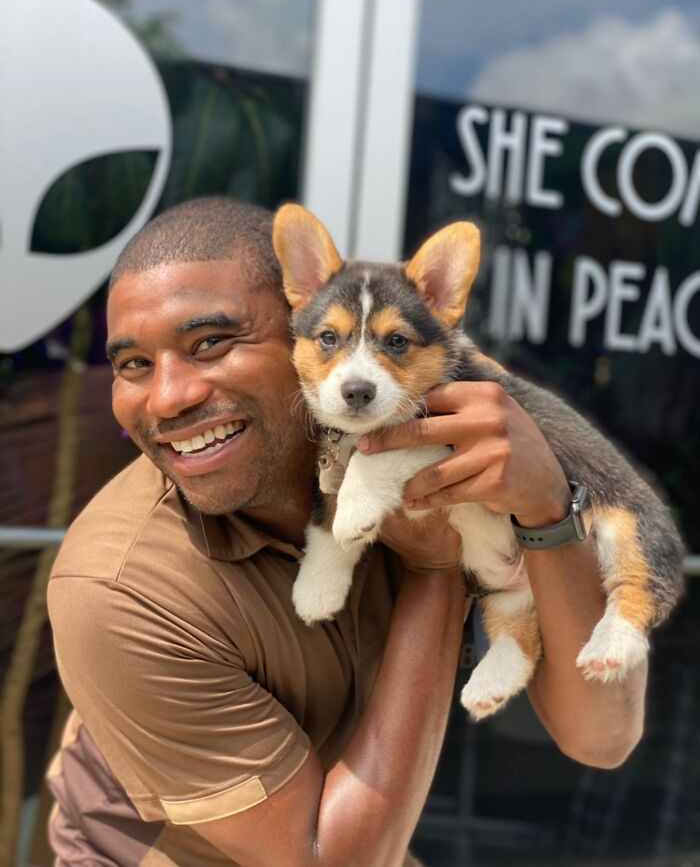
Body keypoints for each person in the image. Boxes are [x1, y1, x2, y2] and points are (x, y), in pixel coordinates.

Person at [47, 196, 648, 867]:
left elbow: (602, 736)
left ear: (300, 326)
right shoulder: (118, 589)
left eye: (211, 342)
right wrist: (433, 568)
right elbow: (333, 860)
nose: (166, 397)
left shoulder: (430, 405)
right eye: (133, 365)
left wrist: (546, 506)